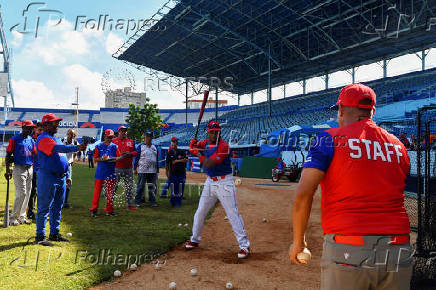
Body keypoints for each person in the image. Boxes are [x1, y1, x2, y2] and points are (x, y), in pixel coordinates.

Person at [289, 84, 412, 290]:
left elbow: (303, 194)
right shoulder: (398, 145)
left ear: (342, 110)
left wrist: (298, 243)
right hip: (399, 247)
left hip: (350, 247)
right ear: (372, 112)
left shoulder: (329, 138)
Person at [186, 121, 251, 259]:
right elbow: (196, 146)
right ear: (208, 132)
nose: (214, 134)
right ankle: (195, 239)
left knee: (232, 213)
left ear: (219, 132)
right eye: (212, 131)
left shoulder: (223, 146)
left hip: (224, 182)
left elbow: (208, 162)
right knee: (200, 211)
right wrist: (193, 144)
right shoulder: (205, 143)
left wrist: (196, 152)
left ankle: (244, 246)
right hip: (210, 181)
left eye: (217, 131)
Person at [35, 114, 86, 246]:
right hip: (48, 176)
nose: (56, 125)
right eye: (53, 123)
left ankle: (54, 233)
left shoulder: (55, 138)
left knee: (57, 206)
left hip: (60, 177)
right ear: (46, 125)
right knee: (44, 207)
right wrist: (76, 147)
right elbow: (58, 149)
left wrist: (67, 174)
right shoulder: (43, 138)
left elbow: (62, 157)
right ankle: (40, 236)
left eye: (56, 123)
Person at [5, 120, 36, 226]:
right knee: (21, 193)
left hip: (29, 169)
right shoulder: (14, 139)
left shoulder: (31, 140)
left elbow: (35, 154)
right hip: (19, 169)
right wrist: (7, 170)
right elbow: (8, 155)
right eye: (29, 128)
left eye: (32, 128)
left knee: (27, 194)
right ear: (23, 127)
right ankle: (13, 218)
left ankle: (22, 216)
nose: (31, 129)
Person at [90, 129, 124, 217]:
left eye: (111, 137)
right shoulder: (98, 146)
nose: (110, 139)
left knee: (110, 194)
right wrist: (103, 159)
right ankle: (94, 210)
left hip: (110, 173)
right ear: (105, 136)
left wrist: (112, 159)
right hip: (100, 173)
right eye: (108, 137)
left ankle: (109, 210)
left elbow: (119, 158)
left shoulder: (115, 147)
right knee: (97, 193)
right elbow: (95, 159)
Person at [112, 126, 137, 210]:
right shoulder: (113, 141)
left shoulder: (131, 141)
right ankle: (109, 204)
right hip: (117, 167)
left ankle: (130, 204)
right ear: (118, 132)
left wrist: (130, 153)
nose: (124, 132)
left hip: (128, 168)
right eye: (122, 131)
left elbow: (136, 151)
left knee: (129, 186)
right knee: (114, 186)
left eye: (125, 131)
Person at [134, 131, 159, 207]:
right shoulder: (140, 146)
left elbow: (156, 158)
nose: (149, 138)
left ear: (152, 138)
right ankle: (137, 201)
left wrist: (157, 168)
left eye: (150, 137)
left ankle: (152, 202)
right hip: (142, 170)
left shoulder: (155, 147)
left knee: (153, 187)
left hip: (153, 170)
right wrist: (135, 168)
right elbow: (137, 158)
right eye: (147, 136)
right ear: (144, 137)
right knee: (140, 186)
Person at [27, 121, 43, 221]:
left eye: (42, 130)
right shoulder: (31, 139)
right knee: (33, 191)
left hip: (42, 168)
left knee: (39, 191)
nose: (41, 131)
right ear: (35, 129)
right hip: (33, 168)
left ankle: (37, 210)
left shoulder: (43, 138)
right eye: (39, 130)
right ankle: (30, 212)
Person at [165, 137, 188, 207]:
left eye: (174, 145)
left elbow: (186, 160)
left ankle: (178, 202)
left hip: (181, 174)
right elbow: (167, 163)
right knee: (173, 189)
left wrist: (177, 161)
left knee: (180, 189)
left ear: (177, 145)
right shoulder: (169, 153)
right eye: (172, 145)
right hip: (173, 174)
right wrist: (166, 172)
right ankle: (172, 202)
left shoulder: (181, 151)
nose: (173, 146)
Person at [61, 129, 78, 209]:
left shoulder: (75, 142)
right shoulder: (61, 141)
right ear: (67, 134)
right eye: (70, 134)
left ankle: (65, 202)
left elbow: (76, 152)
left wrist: (72, 160)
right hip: (61, 165)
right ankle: (59, 202)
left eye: (73, 135)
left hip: (69, 165)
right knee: (60, 183)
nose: (72, 136)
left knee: (68, 184)